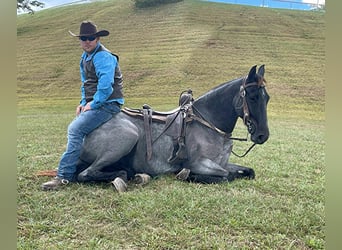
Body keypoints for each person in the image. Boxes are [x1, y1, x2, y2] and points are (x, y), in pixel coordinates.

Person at [42, 21, 124, 190]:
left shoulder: (103, 56)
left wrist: (94, 103)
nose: (87, 41)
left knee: (75, 129)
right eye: (83, 38)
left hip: (108, 103)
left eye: (91, 38)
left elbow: (106, 85)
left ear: (97, 38)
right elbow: (85, 84)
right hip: (96, 102)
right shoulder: (86, 57)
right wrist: (83, 103)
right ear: (80, 40)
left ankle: (64, 176)